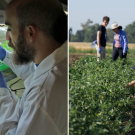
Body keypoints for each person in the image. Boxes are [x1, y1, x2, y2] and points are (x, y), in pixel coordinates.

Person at [0, 0, 67, 134]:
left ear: (30, 32)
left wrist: (1, 93)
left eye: (10, 28)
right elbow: (30, 71)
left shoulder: (42, 96)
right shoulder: (59, 61)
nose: (7, 36)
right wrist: (4, 55)